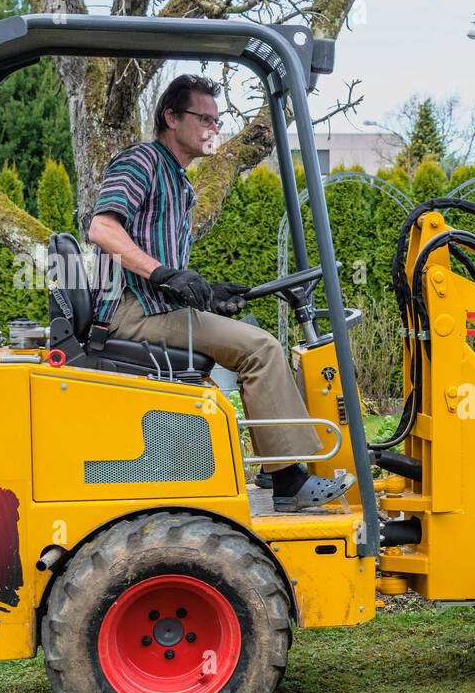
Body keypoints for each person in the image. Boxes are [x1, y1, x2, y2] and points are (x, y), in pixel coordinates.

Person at [86, 74, 353, 513]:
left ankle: (273, 468)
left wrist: (204, 290)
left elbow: (161, 259)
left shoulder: (179, 180)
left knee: (248, 331)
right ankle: (287, 478)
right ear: (171, 117)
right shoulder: (142, 162)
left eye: (218, 120)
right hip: (129, 312)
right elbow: (103, 228)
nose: (213, 128)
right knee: (260, 348)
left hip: (154, 307)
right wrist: (164, 275)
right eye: (203, 118)